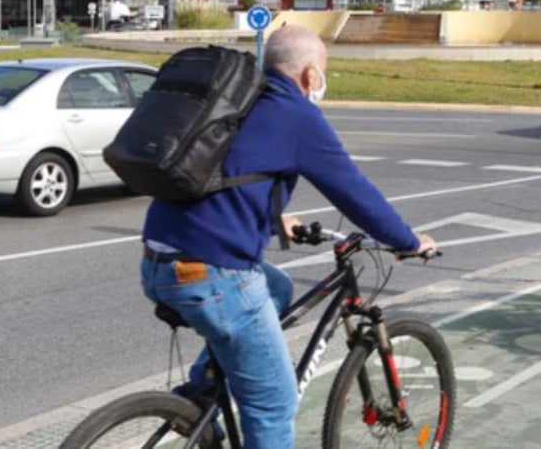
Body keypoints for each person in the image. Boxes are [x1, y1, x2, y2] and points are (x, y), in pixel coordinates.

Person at [140, 24, 437, 447]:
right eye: (323, 73)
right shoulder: (298, 115)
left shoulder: (238, 99)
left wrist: (274, 215)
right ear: (309, 76)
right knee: (273, 406)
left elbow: (224, 169)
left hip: (157, 261)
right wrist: (407, 241)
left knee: (277, 288)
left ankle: (202, 397)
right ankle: (206, 402)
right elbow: (354, 192)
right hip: (213, 276)